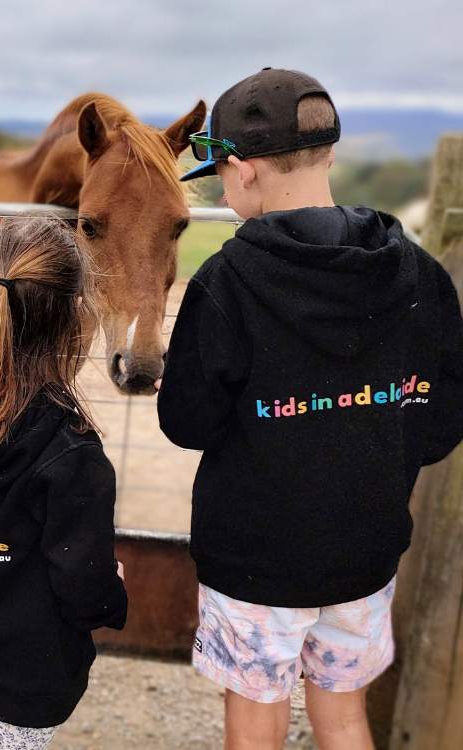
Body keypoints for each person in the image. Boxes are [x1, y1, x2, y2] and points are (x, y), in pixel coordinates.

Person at [158, 68, 463, 750]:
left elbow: (187, 422)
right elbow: (441, 423)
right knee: (345, 714)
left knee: (256, 718)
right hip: (366, 549)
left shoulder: (226, 282)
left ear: (243, 170)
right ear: (327, 153)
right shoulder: (419, 275)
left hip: (255, 560)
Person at [0, 215, 128, 750]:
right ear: (73, 315)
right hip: (30, 669)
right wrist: (111, 594)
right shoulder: (73, 452)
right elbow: (82, 581)